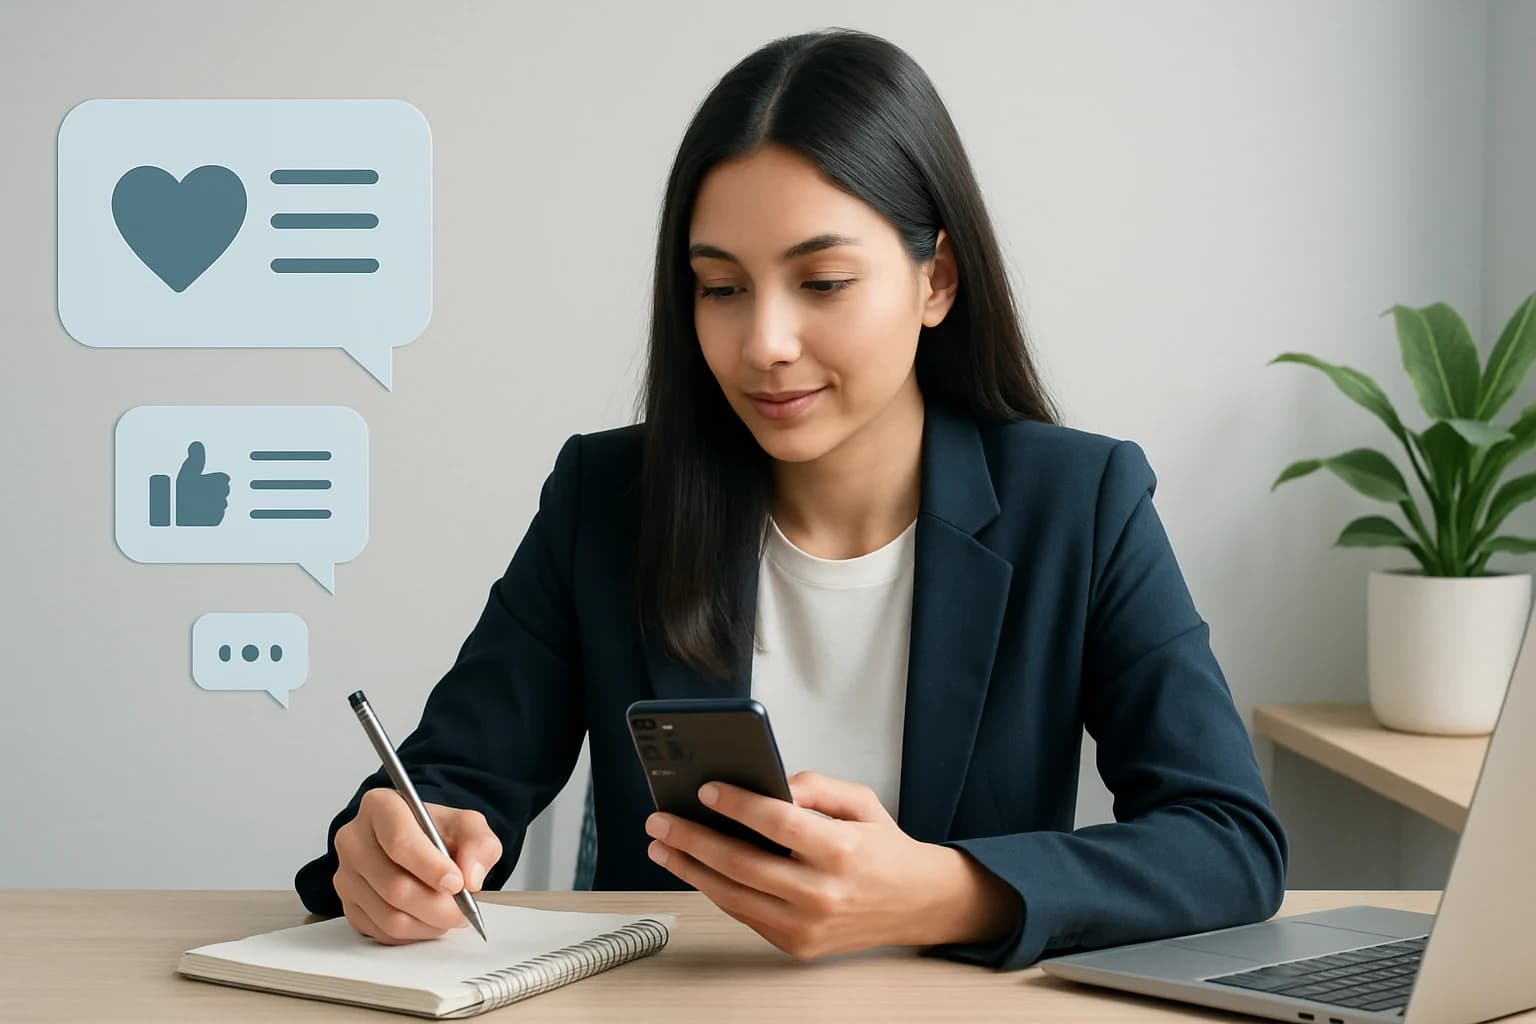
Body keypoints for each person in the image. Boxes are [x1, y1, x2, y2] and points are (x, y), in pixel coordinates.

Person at [295, 26, 1287, 971]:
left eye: (822, 281)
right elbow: (448, 785)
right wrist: (392, 849)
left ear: (936, 279)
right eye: (722, 288)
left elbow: (1228, 840)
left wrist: (943, 892)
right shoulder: (607, 501)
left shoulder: (1079, 504)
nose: (764, 342)